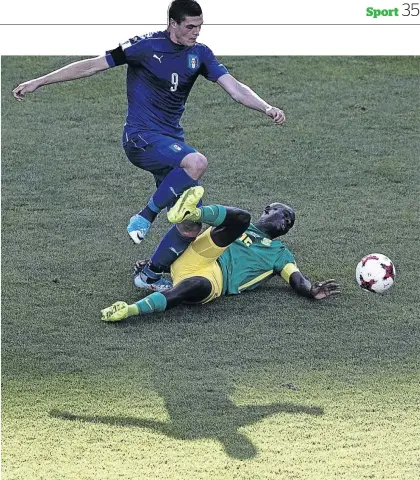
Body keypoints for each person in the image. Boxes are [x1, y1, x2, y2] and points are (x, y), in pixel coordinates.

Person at [12, 0, 286, 292]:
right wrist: (39, 81)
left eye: (200, 26)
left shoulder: (200, 54)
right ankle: (144, 216)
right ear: (173, 24)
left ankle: (150, 276)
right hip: (140, 138)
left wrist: (266, 107)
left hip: (170, 143)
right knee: (196, 162)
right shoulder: (143, 46)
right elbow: (92, 66)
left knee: (191, 224)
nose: (196, 32)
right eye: (190, 27)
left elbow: (234, 87)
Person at [101, 186, 340, 322]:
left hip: (215, 280)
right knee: (241, 219)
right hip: (203, 255)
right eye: (284, 214)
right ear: (267, 210)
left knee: (189, 289)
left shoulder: (280, 254)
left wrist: (310, 290)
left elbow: (296, 278)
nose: (287, 222)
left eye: (290, 223)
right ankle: (191, 214)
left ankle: (128, 309)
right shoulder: (243, 226)